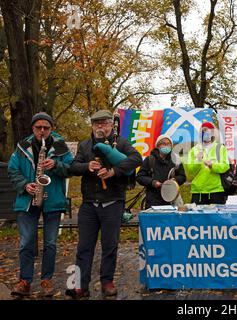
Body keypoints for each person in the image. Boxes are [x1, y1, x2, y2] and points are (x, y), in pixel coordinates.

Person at [66, 110, 142, 299]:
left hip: (113, 202)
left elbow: (136, 159)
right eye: (97, 124)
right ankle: (80, 286)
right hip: (89, 204)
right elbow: (73, 167)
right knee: (84, 247)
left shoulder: (121, 143)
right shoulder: (85, 145)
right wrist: (87, 167)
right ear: (92, 126)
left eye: (105, 123)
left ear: (111, 125)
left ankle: (107, 282)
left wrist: (114, 171)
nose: (101, 127)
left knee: (110, 245)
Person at [8, 112, 73, 297]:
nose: (42, 131)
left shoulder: (60, 146)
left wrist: (57, 165)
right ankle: (25, 281)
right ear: (33, 128)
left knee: (50, 244)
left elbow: (71, 169)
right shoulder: (23, 146)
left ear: (51, 129)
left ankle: (46, 280)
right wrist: (24, 185)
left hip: (52, 200)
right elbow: (13, 170)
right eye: (39, 127)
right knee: (26, 242)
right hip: (28, 199)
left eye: (46, 127)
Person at [184, 121, 230, 205]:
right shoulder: (194, 150)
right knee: (197, 218)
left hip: (216, 190)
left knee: (216, 218)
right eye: (204, 131)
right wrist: (197, 161)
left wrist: (212, 165)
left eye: (209, 131)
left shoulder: (220, 148)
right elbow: (190, 172)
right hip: (198, 191)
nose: (206, 133)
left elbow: (225, 166)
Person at [136, 135, 186, 208]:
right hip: (153, 200)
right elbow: (140, 177)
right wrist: (152, 182)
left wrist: (175, 180)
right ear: (158, 146)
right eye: (163, 143)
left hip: (171, 199)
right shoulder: (150, 159)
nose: (166, 145)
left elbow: (183, 177)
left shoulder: (176, 160)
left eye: (168, 143)